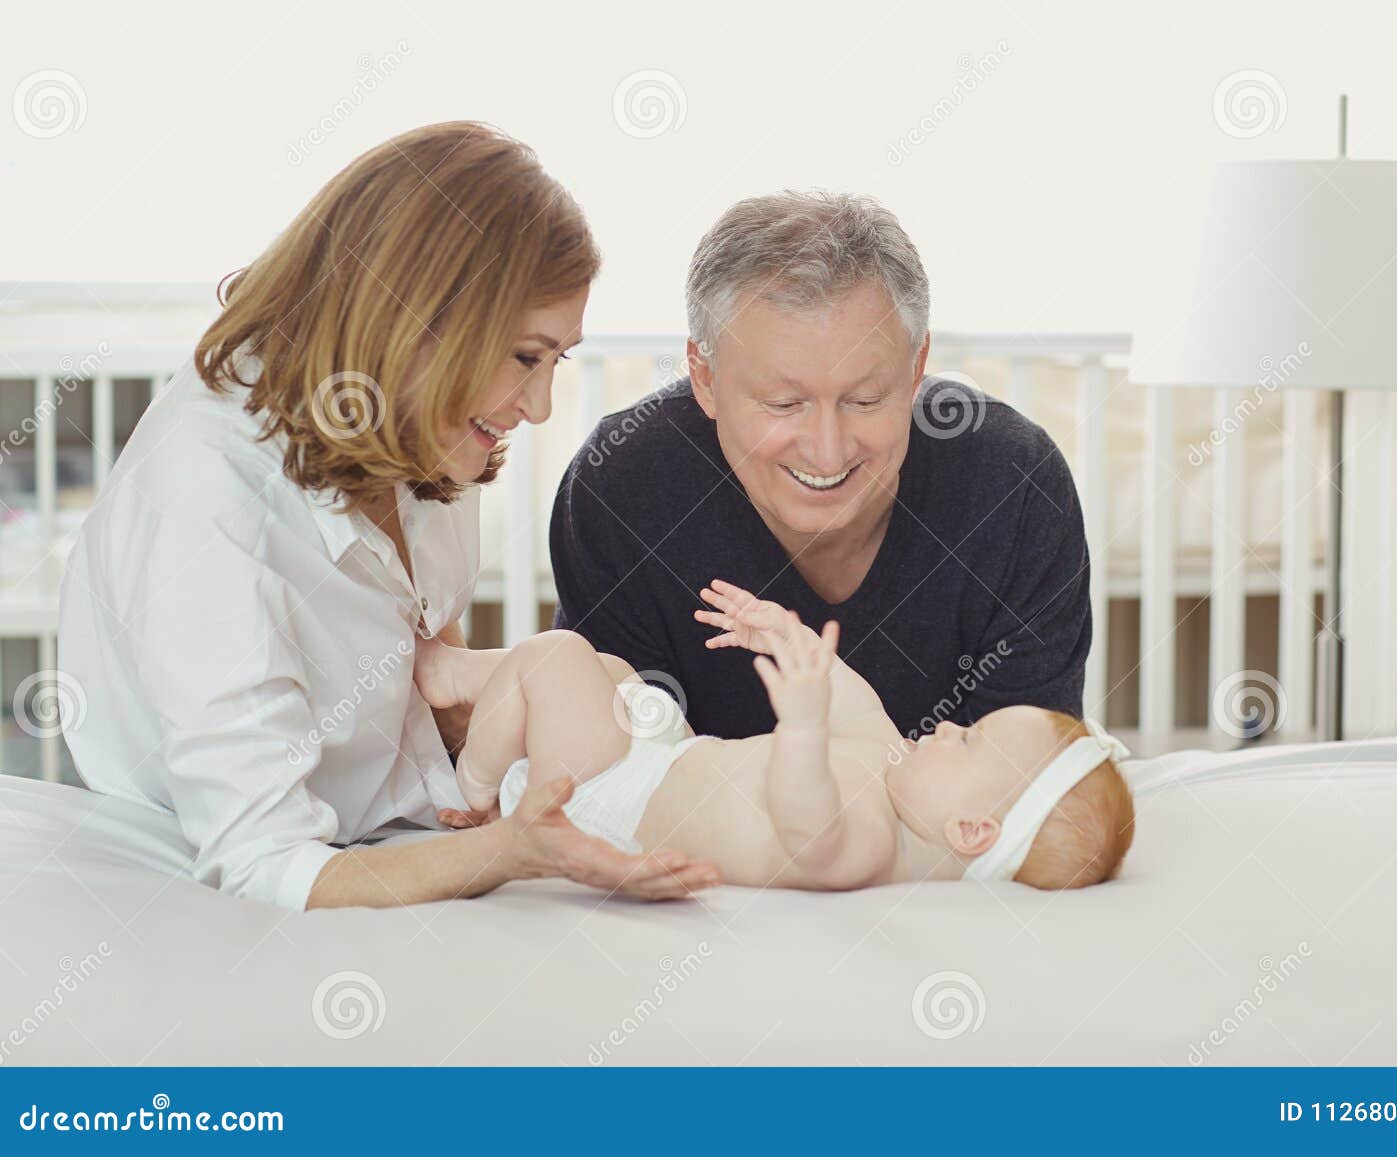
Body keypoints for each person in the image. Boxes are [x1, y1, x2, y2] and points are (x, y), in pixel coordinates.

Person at [56, 122, 718, 911]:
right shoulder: (211, 501)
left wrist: (520, 719)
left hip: (400, 811)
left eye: (558, 361)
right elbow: (268, 861)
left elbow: (421, 654)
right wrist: (509, 850)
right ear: (416, 321)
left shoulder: (422, 422)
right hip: (301, 851)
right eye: (524, 357)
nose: (540, 407)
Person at [550, 190, 1092, 741]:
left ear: (916, 367)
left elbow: (1027, 781)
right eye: (785, 405)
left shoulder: (1015, 486)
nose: (827, 452)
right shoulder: (621, 485)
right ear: (705, 380)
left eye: (865, 400)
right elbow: (610, 778)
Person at [416, 580, 1134, 890]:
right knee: (611, 670)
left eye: (969, 743)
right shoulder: (894, 769)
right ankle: (482, 681)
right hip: (669, 756)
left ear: (972, 829)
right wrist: (785, 634)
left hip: (614, 804)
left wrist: (801, 727)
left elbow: (806, 826)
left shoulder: (870, 847)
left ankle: (475, 785)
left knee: (560, 656)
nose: (949, 725)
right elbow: (854, 704)